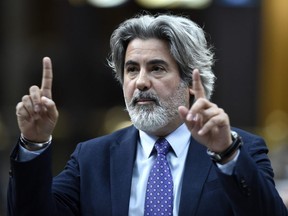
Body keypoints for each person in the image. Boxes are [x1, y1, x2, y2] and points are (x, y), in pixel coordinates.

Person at [7, 12, 287, 216]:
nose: (140, 82)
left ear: (190, 82)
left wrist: (226, 154)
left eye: (156, 68)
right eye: (131, 69)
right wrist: (34, 143)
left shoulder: (241, 150)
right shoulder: (91, 158)